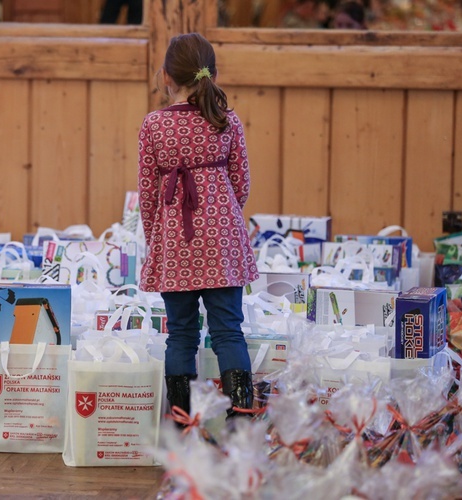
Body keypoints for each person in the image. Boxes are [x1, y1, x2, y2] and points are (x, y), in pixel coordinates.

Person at [137, 33, 260, 424]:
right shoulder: (226, 119)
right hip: (221, 240)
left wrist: (156, 236)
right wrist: (220, 215)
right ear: (211, 73)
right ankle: (240, 414)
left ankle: (181, 418)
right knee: (228, 330)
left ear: (166, 76)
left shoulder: (154, 125)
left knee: (181, 334)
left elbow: (147, 193)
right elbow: (241, 184)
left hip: (176, 243)